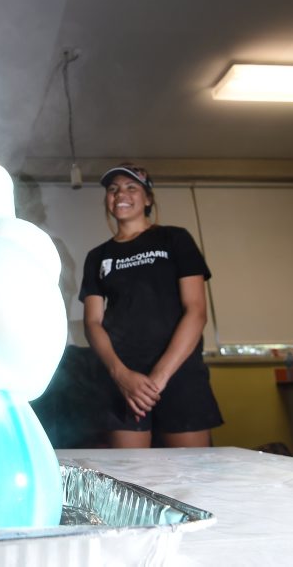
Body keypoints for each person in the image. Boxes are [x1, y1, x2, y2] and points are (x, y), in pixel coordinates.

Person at [79, 163, 223, 448]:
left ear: (147, 199)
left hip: (179, 373)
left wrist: (159, 379)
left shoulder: (175, 239)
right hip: (123, 378)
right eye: (113, 189)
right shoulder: (97, 256)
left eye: (132, 187)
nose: (121, 193)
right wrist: (121, 376)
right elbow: (92, 323)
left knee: (192, 481)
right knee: (130, 481)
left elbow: (196, 311)